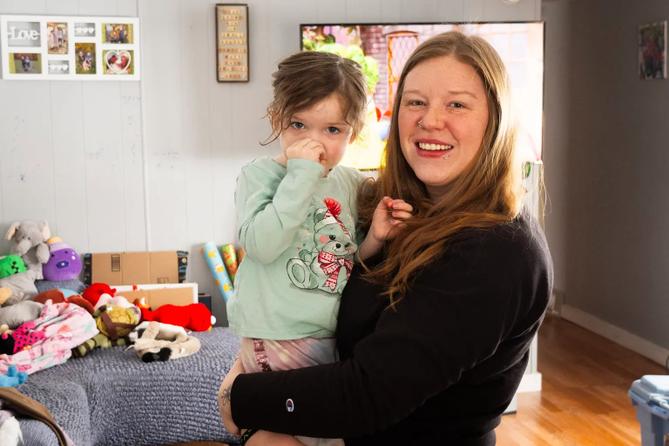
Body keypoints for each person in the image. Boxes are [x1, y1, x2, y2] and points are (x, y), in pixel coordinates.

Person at [220, 31, 553, 445]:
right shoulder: (396, 209)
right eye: (415, 102)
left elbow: (368, 394)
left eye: (456, 104)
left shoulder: (498, 251)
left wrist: (243, 398)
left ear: (496, 120)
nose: (431, 120)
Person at [225, 50, 414, 446]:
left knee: (329, 433)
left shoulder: (348, 182)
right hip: (277, 334)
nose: (315, 144)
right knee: (309, 433)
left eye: (332, 130)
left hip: (327, 336)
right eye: (299, 125)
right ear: (277, 117)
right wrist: (300, 175)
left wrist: (375, 238)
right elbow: (261, 245)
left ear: (354, 131)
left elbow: (344, 264)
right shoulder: (260, 175)